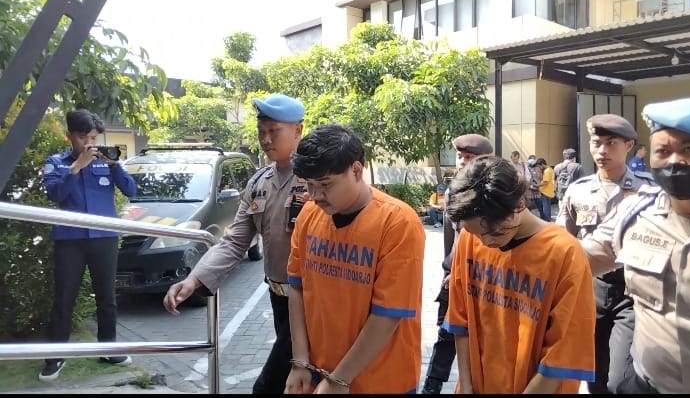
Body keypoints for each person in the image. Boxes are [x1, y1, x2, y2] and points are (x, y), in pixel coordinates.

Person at [162, 93, 308, 394]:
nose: (265, 139)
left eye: (274, 131)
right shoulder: (258, 183)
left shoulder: (318, 180)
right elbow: (234, 241)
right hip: (278, 297)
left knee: (268, 385)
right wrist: (194, 279)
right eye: (261, 131)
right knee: (297, 381)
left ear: (298, 130)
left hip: (311, 301)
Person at [582, 97, 690, 394]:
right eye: (662, 151)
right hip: (646, 385)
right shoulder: (636, 214)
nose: (674, 161)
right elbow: (574, 259)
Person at [283, 123, 425, 394]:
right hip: (319, 374)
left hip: (381, 381)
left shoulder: (398, 222)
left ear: (357, 171)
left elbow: (388, 314)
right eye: (310, 185)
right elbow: (297, 287)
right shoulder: (309, 215)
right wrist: (300, 361)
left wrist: (340, 379)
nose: (316, 195)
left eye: (326, 184)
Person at [442, 156, 596, 393]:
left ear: (519, 204)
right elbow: (460, 320)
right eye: (476, 233)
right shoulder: (469, 239)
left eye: (495, 232)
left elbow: (564, 351)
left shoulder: (564, 253)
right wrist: (466, 384)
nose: (486, 242)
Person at [555, 114, 654, 394]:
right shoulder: (578, 191)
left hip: (631, 291)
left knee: (619, 379)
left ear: (629, 145)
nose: (602, 151)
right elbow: (563, 241)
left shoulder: (648, 190)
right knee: (594, 376)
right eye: (597, 143)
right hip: (590, 291)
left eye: (611, 143)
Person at [40, 109, 137, 381]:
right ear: (69, 135)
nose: (89, 144)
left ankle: (108, 350)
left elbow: (131, 190)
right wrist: (76, 167)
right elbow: (55, 194)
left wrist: (115, 165)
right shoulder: (56, 162)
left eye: (93, 138)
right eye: (83, 137)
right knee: (64, 299)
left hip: (104, 238)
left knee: (107, 297)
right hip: (69, 240)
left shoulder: (106, 160)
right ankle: (55, 357)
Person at [421, 133, 494, 394]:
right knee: (446, 330)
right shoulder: (454, 190)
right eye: (460, 156)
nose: (462, 162)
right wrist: (449, 268)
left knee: (481, 334)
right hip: (454, 272)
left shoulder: (494, 192)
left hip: (485, 276)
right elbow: (450, 236)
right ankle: (433, 384)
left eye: (469, 157)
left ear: (485, 160)